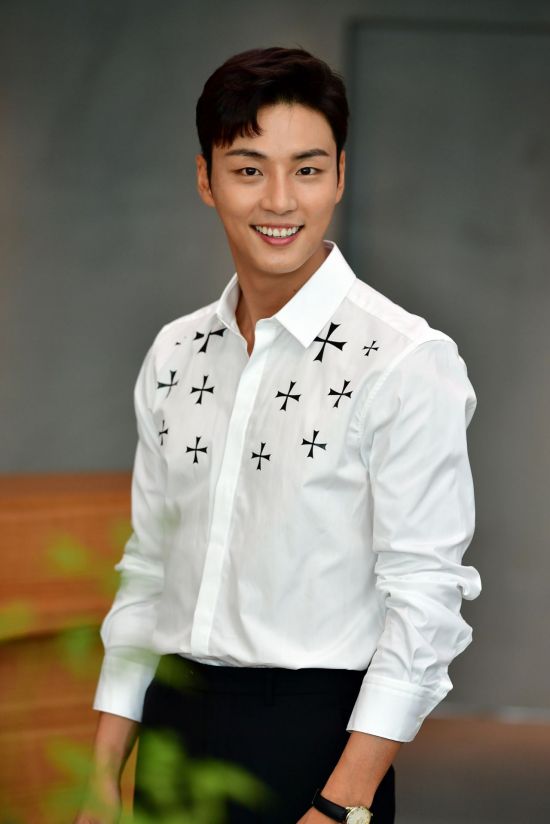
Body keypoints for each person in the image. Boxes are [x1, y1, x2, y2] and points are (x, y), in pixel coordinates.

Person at [74, 46, 481, 824]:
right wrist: (101, 776)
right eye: (249, 169)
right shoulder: (175, 353)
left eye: (308, 168)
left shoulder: (405, 361)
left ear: (340, 176)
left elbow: (426, 597)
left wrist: (342, 803)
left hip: (316, 747)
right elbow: (149, 571)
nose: (281, 200)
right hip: (171, 731)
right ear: (206, 179)